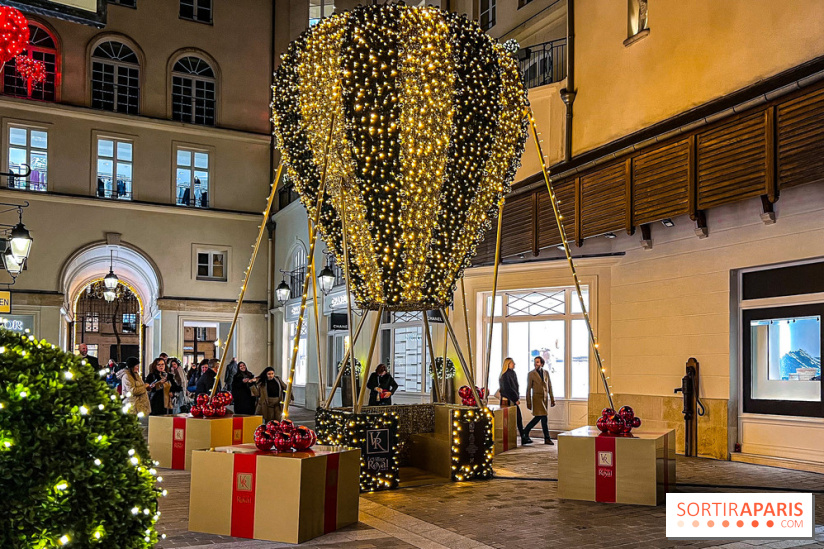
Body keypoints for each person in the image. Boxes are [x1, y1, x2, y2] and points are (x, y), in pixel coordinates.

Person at [525, 356, 555, 445]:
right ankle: (547, 438)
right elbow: (528, 388)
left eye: (537, 362)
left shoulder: (546, 373)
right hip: (537, 399)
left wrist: (552, 399)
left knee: (541, 418)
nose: (536, 364)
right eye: (535, 362)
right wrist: (528, 402)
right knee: (542, 417)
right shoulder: (531, 374)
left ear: (542, 363)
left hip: (545, 399)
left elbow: (549, 386)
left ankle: (525, 432)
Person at [499, 357, 527, 445]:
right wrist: (515, 399)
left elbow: (515, 387)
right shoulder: (505, 375)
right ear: (508, 364)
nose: (514, 364)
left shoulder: (512, 373)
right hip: (508, 400)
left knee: (518, 418)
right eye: (512, 363)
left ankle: (523, 436)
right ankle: (522, 437)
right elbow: (508, 389)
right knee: (515, 418)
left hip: (512, 399)